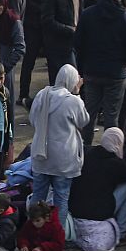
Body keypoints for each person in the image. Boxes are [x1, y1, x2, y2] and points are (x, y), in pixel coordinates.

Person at [74, 0, 126, 143]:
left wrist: (83, 67)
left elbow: (78, 43)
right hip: (116, 73)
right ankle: (111, 152)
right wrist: (125, 62)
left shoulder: (88, 14)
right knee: (112, 117)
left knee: (89, 114)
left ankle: (85, 151)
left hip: (92, 71)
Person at [29, 64, 88, 226]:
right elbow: (84, 121)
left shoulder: (42, 95)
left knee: (38, 196)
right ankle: (57, 235)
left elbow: (32, 120)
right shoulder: (73, 101)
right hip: (64, 159)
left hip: (41, 155)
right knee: (61, 198)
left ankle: (33, 231)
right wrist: (77, 93)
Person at [69, 127, 126, 251]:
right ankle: (122, 232)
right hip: (98, 213)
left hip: (75, 210)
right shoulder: (117, 164)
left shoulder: (87, 153)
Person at [40, 0, 87, 83]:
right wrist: (69, 29)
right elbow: (47, 21)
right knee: (62, 82)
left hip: (75, 43)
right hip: (58, 45)